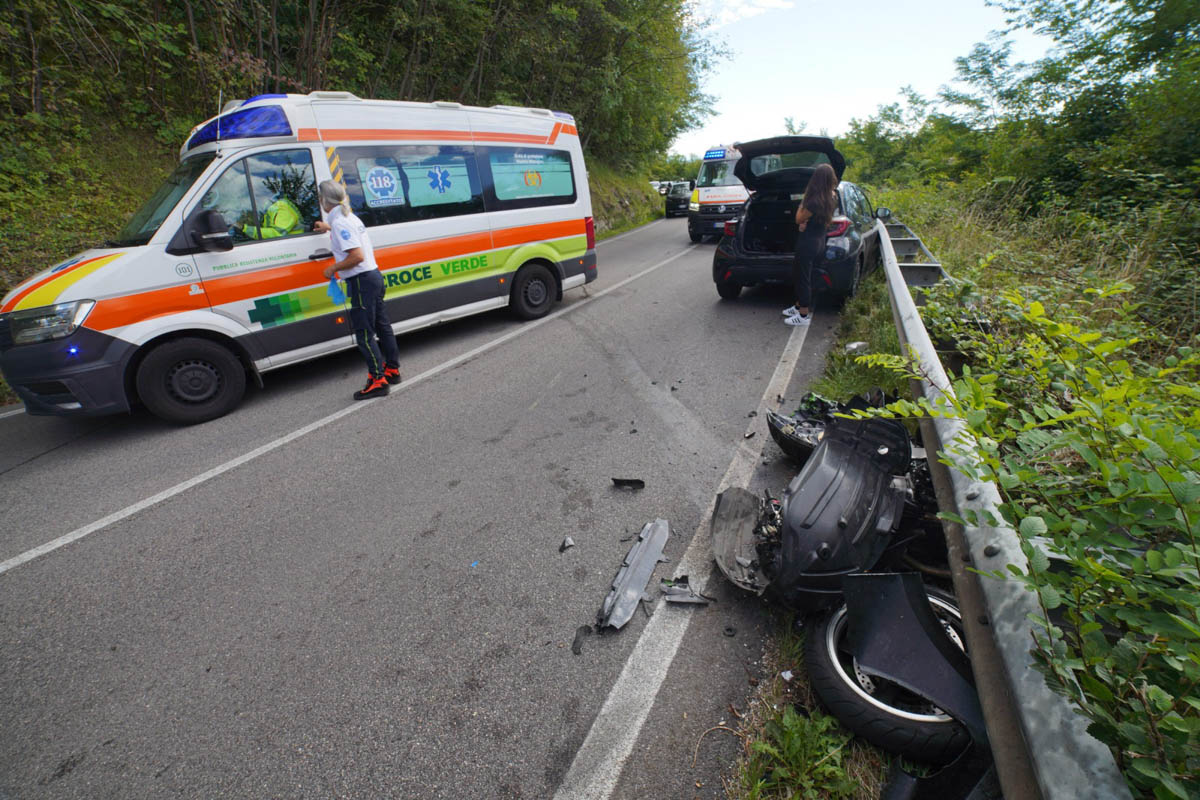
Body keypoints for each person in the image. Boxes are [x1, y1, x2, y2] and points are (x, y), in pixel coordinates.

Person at [313, 179, 401, 400]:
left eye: (320, 197)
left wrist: (332, 267)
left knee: (364, 334)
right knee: (382, 326)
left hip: (361, 281)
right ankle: (392, 369)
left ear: (324, 200)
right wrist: (328, 227)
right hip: (373, 277)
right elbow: (347, 234)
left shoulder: (342, 222)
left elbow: (356, 256)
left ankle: (378, 380)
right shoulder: (347, 218)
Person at [784, 163, 839, 326]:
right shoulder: (832, 196)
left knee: (802, 277)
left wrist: (803, 201)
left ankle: (803, 315)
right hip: (819, 240)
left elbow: (798, 218)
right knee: (805, 274)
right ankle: (798, 305)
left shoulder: (814, 200)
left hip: (808, 242)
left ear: (816, 179)